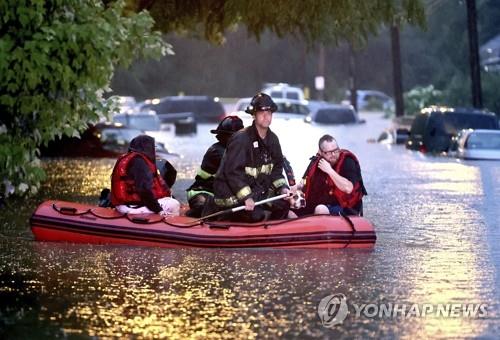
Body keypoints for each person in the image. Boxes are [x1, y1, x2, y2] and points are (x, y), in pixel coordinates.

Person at [206, 93, 291, 222]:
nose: (266, 116)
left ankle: (271, 234)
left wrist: (283, 188)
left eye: (269, 112)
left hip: (255, 192)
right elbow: (233, 173)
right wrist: (247, 197)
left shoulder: (273, 140)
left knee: (283, 205)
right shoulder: (241, 139)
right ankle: (219, 214)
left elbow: (277, 170)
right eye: (261, 112)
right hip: (230, 194)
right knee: (256, 215)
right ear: (254, 115)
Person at [185, 116, 244, 217]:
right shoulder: (217, 152)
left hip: (221, 195)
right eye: (235, 137)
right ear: (224, 136)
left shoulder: (237, 151)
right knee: (205, 209)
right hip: (203, 192)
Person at [110, 134, 180, 216]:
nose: (154, 150)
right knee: (174, 204)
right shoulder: (140, 163)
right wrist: (158, 210)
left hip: (122, 205)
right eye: (153, 147)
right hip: (132, 207)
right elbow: (144, 191)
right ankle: (168, 226)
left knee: (166, 199)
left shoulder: (129, 159)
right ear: (147, 148)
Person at [297, 134, 367, 216]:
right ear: (321, 152)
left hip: (344, 207)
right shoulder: (315, 162)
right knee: (288, 208)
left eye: (336, 150)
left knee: (320, 209)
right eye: (329, 152)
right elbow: (302, 183)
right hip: (318, 204)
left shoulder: (348, 162)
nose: (333, 154)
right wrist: (291, 190)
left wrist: (329, 170)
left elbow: (348, 188)